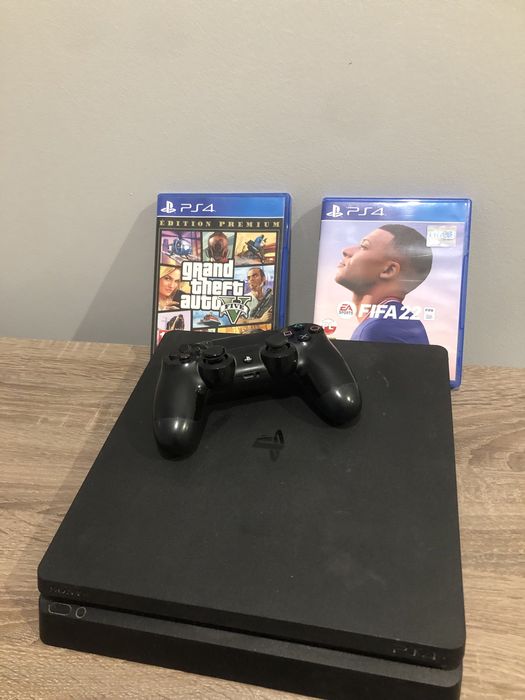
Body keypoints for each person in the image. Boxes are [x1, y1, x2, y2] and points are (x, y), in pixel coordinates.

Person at [335, 224, 433, 343]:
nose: (346, 250)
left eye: (364, 246)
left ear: (389, 270)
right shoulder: (399, 323)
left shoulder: (377, 329)